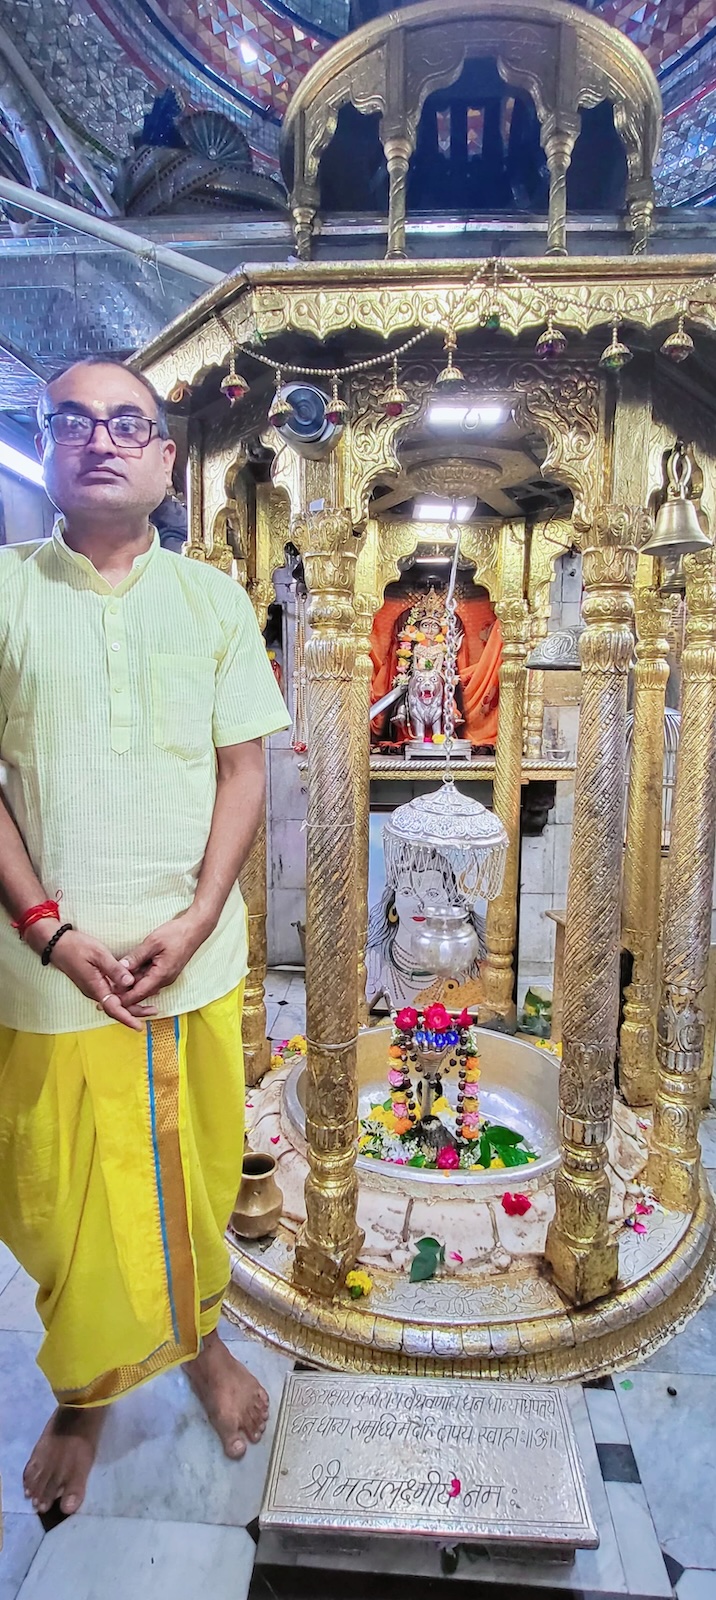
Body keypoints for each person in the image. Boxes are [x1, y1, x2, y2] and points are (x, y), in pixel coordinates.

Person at [0, 356, 290, 1519]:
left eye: (130, 424)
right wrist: (47, 926)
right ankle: (84, 1388)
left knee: (192, 1181)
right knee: (51, 1198)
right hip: (44, 973)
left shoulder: (215, 601)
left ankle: (204, 1348)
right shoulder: (8, 590)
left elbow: (242, 768)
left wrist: (204, 910)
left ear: (168, 462)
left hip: (190, 959)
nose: (102, 439)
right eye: (75, 421)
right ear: (48, 445)